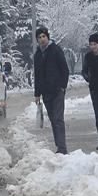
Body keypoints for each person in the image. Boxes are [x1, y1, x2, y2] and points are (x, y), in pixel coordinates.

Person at [33, 26, 69, 154]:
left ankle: (62, 148)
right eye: (39, 37)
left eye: (44, 37)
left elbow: (65, 69)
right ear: (37, 40)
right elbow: (37, 75)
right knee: (53, 119)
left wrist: (62, 86)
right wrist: (37, 94)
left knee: (58, 119)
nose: (42, 39)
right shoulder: (37, 54)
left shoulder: (55, 50)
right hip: (46, 92)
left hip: (57, 90)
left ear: (47, 37)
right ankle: (59, 145)